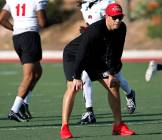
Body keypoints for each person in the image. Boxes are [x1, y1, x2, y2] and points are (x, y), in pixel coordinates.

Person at [60, 3, 135, 139]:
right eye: (114, 17)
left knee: (114, 86)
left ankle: (118, 125)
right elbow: (81, 53)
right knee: (73, 88)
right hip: (74, 55)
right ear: (106, 16)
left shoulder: (121, 28)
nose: (118, 20)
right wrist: (77, 76)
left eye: (120, 17)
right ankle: (65, 127)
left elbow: (116, 53)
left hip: (94, 58)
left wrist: (111, 73)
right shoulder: (95, 30)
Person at [77, 0, 136, 125]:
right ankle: (89, 111)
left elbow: (113, 17)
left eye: (120, 17)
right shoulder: (84, 6)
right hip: (95, 46)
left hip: (108, 45)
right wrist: (86, 31)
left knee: (116, 77)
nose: (118, 19)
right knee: (85, 75)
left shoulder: (106, 2)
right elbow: (92, 26)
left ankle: (130, 93)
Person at [0, 0, 48, 122]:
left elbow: (2, 19)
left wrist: (16, 28)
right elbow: (42, 22)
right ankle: (14, 110)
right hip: (30, 36)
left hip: (17, 37)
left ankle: (24, 103)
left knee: (37, 72)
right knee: (29, 75)